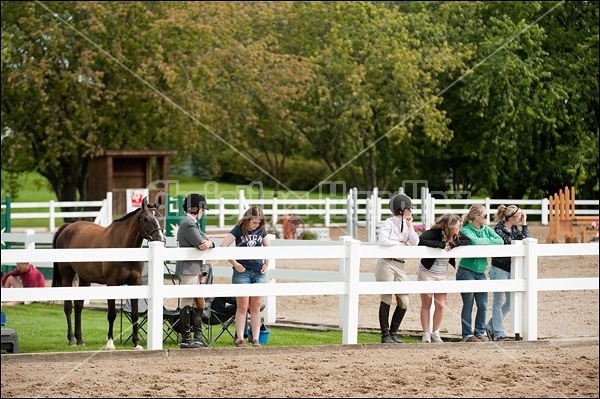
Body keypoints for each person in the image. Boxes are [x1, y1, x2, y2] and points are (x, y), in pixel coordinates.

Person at [220, 205, 271, 348]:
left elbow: (268, 247)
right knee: (242, 306)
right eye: (254, 222)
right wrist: (235, 263)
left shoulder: (261, 230)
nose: (256, 225)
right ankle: (240, 338)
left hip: (258, 272)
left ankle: (255, 339)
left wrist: (266, 262)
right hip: (242, 272)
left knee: (255, 306)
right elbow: (224, 245)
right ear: (248, 219)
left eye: (259, 223)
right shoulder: (238, 230)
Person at [417, 213, 471, 343]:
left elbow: (467, 240)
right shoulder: (435, 232)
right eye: (457, 226)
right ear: (450, 226)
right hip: (427, 272)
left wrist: (453, 244)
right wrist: (441, 245)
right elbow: (421, 240)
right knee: (426, 304)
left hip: (442, 275)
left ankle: (435, 332)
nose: (459, 228)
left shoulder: (456, 235)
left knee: (440, 305)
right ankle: (426, 334)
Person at [375, 193, 419, 344]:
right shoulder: (388, 223)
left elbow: (416, 243)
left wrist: (410, 226)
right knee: (386, 298)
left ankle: (393, 333)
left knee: (404, 301)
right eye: (408, 209)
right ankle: (385, 335)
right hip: (386, 263)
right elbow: (383, 241)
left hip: (400, 265)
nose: (411, 211)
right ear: (401, 210)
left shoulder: (407, 225)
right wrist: (399, 243)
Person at [457, 204, 503, 342]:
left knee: (483, 305)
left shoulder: (485, 229)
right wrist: (489, 242)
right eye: (485, 215)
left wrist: (485, 242)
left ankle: (479, 333)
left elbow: (499, 241)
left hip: (480, 272)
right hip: (466, 271)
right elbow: (474, 242)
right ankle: (467, 335)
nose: (486, 218)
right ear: (477, 217)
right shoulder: (465, 230)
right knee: (468, 304)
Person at [175, 193, 214, 349]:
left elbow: (207, 241)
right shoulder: (189, 224)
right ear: (195, 209)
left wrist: (209, 242)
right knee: (189, 301)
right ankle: (187, 338)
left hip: (193, 268)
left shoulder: (192, 224)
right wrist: (209, 243)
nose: (203, 213)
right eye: (202, 209)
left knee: (197, 301)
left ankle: (196, 337)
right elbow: (201, 243)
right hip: (188, 268)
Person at [485, 205, 530, 341]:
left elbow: (526, 240)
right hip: (499, 269)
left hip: (511, 269)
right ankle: (499, 332)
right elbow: (507, 244)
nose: (520, 219)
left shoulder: (516, 229)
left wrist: (525, 224)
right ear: (512, 218)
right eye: (518, 217)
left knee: (510, 302)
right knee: (498, 301)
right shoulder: (498, 230)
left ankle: (491, 326)